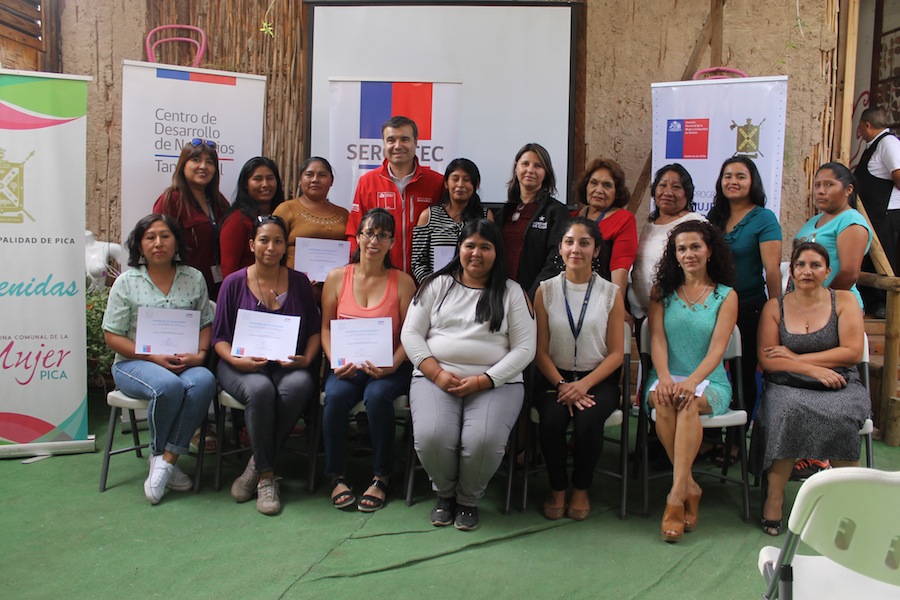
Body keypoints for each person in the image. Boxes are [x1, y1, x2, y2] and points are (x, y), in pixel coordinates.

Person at [401, 219, 536, 531]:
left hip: (496, 384)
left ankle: (468, 499)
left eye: (485, 247)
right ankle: (445, 495)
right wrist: (435, 373)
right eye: (470, 245)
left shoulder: (512, 293)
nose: (477, 253)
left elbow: (525, 349)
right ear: (458, 249)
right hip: (436, 378)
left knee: (484, 440)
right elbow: (410, 334)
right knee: (433, 436)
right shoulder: (436, 285)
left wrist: (484, 380)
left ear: (497, 252)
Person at [754, 242, 869, 536]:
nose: (807, 271)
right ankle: (774, 498)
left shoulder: (844, 301)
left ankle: (847, 503)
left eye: (815, 265)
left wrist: (794, 357)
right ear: (791, 271)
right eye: (801, 265)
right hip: (787, 384)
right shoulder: (774, 306)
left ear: (828, 272)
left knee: (842, 416)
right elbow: (768, 359)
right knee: (787, 412)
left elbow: (853, 352)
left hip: (839, 383)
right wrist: (809, 369)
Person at [102, 214, 216, 504]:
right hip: (134, 363)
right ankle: (161, 458)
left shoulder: (194, 277)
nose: (158, 243)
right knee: (167, 386)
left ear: (176, 241)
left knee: (204, 381)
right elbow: (112, 337)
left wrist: (200, 355)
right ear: (139, 244)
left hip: (185, 361)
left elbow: (205, 323)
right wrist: (152, 355)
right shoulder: (126, 282)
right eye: (150, 237)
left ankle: (167, 459)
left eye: (165, 236)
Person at [211, 214, 320, 515]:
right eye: (263, 240)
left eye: (278, 241)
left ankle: (254, 465)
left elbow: (313, 330)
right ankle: (267, 478)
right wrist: (236, 360)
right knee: (259, 390)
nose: (270, 247)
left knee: (300, 385)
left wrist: (308, 359)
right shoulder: (233, 283)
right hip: (239, 365)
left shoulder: (299, 282)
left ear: (286, 246)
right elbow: (219, 337)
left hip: (288, 366)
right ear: (252, 244)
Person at [642, 220, 738, 542]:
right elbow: (657, 339)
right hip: (666, 374)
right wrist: (666, 378)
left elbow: (717, 349)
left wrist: (692, 381)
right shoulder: (662, 292)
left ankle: (674, 497)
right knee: (666, 401)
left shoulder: (726, 296)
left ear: (710, 250)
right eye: (681, 248)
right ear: (674, 254)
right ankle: (689, 487)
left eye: (695, 246)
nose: (688, 254)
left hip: (709, 380)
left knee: (686, 406)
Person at [321, 208, 416, 512]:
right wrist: (335, 360)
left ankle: (382, 475)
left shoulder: (402, 282)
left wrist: (392, 364)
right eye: (369, 233)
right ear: (358, 237)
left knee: (377, 397)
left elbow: (410, 337)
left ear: (392, 242)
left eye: (383, 235)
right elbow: (325, 327)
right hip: (347, 366)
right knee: (334, 396)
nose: (375, 240)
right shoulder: (337, 278)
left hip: (389, 367)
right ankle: (336, 475)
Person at [534, 217, 625, 521]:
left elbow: (615, 355)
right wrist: (562, 384)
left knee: (588, 423)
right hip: (554, 377)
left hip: (598, 380)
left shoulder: (611, 293)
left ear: (596, 250)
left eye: (584, 243)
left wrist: (583, 385)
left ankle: (581, 488)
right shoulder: (545, 291)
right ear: (560, 248)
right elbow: (540, 350)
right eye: (569, 242)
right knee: (551, 421)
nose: (576, 249)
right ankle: (558, 488)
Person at [707, 156, 781, 435]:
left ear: (753, 182)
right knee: (710, 371)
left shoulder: (763, 218)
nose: (733, 182)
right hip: (712, 308)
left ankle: (738, 440)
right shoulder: (714, 217)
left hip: (749, 308)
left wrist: (775, 312)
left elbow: (772, 270)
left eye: (740, 176)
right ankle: (711, 438)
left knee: (745, 373)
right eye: (728, 176)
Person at [344, 116, 445, 275]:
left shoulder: (437, 182)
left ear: (415, 142)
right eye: (391, 140)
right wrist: (359, 273)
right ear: (384, 144)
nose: (398, 146)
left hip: (427, 280)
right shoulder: (367, 182)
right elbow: (354, 233)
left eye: (404, 139)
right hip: (381, 279)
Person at [628, 164, 706, 322]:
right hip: (643, 314)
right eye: (662, 185)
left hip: (678, 315)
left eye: (676, 187)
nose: (667, 192)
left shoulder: (694, 223)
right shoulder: (649, 225)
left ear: (687, 193)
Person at [152, 139, 230, 296]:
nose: (203, 166)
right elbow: (159, 245)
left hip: (216, 286)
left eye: (209, 162)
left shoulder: (219, 201)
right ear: (183, 165)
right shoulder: (170, 201)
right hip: (182, 289)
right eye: (196, 160)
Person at [496, 142, 570, 298]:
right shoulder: (505, 212)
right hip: (500, 295)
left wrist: (533, 295)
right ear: (516, 168)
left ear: (546, 173)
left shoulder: (556, 212)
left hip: (536, 298)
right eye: (525, 164)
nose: (530, 170)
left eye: (538, 166)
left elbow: (556, 259)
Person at [794, 162, 872, 309]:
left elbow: (849, 273)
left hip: (837, 307)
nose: (821, 191)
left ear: (848, 189)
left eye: (829, 185)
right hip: (806, 303)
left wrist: (822, 303)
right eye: (817, 185)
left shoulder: (851, 221)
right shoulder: (815, 220)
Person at [410, 158, 494, 284]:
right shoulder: (428, 216)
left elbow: (490, 257)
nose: (460, 185)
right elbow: (418, 262)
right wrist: (433, 288)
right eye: (455, 179)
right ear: (446, 183)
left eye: (467, 180)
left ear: (476, 185)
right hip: (436, 292)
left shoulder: (485, 216)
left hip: (474, 290)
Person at [571, 158, 638, 311]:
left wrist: (615, 309)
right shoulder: (572, 217)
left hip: (602, 303)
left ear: (617, 192)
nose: (599, 190)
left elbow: (620, 268)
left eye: (607, 185)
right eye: (594, 183)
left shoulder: (623, 219)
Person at [855, 107, 900, 318]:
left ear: (867, 125)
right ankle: (874, 303)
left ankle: (886, 305)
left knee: (886, 261)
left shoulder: (888, 144)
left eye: (860, 126)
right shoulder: (872, 147)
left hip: (887, 215)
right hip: (872, 217)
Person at [273, 156, 349, 274]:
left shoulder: (343, 214)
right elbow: (272, 246)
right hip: (293, 283)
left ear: (332, 180)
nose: (315, 180)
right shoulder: (286, 209)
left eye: (322, 175)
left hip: (335, 285)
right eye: (309, 175)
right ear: (300, 180)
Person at [219, 157, 285, 278]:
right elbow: (229, 268)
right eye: (257, 179)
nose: (265, 184)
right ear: (245, 184)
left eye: (270, 178)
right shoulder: (237, 219)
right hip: (247, 292)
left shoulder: (283, 214)